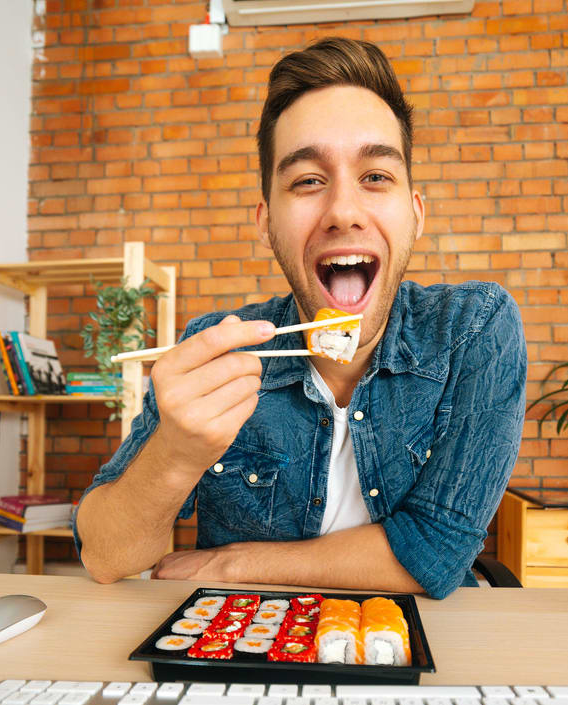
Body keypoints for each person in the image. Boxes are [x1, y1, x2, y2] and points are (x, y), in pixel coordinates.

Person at [74, 37, 527, 599]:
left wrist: (233, 567)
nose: (342, 211)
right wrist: (175, 452)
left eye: (376, 177)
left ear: (414, 214)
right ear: (265, 221)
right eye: (308, 181)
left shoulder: (474, 329)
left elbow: (435, 551)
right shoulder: (220, 348)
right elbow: (105, 557)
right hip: (246, 650)